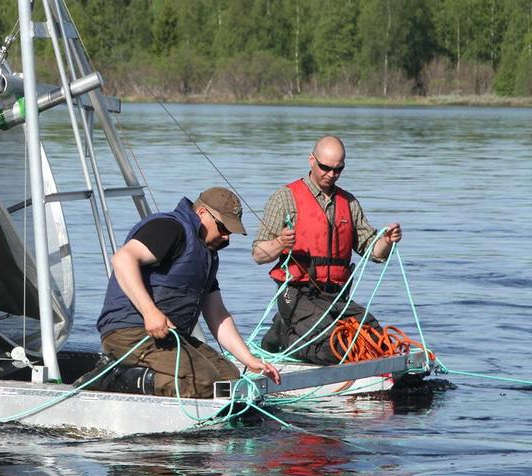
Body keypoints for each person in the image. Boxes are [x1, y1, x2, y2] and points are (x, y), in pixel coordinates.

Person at [95, 187, 280, 398]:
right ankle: (115, 378)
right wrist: (150, 312)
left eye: (231, 231)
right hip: (129, 332)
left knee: (229, 379)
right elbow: (122, 259)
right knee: (205, 382)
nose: (227, 237)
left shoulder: (208, 255)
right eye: (223, 227)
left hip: (169, 336)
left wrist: (249, 359)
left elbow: (217, 313)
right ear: (202, 214)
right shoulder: (169, 228)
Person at [251, 135, 403, 365]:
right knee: (332, 348)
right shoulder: (284, 198)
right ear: (311, 160)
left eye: (338, 169)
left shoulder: (348, 203)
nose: (331, 174)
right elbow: (258, 254)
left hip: (337, 297)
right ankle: (286, 334)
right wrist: (281, 243)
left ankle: (286, 329)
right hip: (297, 293)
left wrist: (387, 241)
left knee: (376, 342)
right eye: (325, 167)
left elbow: (374, 252)